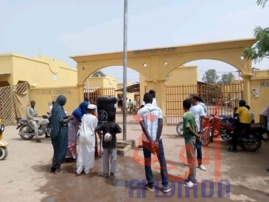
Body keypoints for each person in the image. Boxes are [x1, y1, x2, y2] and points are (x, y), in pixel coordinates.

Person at [137, 93, 172, 193]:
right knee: (162, 160)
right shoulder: (158, 110)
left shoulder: (140, 111)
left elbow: (143, 127)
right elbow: (160, 125)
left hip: (146, 140)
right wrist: (156, 140)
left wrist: (151, 141)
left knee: (147, 161)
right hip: (158, 140)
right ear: (152, 100)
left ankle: (151, 184)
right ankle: (165, 185)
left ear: (144, 100)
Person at [95, 112, 122, 179]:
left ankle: (105, 173)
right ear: (114, 118)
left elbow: (96, 128)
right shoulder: (115, 125)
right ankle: (112, 173)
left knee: (105, 159)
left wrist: (101, 134)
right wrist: (114, 133)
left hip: (105, 144)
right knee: (113, 158)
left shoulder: (104, 124)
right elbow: (120, 130)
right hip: (113, 144)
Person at [182, 99, 201, 188]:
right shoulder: (192, 115)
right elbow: (196, 126)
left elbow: (189, 128)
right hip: (193, 138)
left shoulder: (185, 116)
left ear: (183, 106)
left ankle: (193, 179)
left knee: (191, 159)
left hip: (189, 139)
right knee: (192, 157)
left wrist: (196, 135)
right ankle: (190, 177)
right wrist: (197, 135)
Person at [76, 104, 98, 175]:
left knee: (81, 151)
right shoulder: (94, 118)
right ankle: (87, 169)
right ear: (92, 110)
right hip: (89, 136)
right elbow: (95, 127)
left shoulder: (84, 116)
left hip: (82, 135)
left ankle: (79, 169)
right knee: (89, 151)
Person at [50, 95, 70, 173]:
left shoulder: (55, 107)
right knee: (60, 150)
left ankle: (53, 167)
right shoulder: (58, 109)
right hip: (60, 132)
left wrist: (66, 117)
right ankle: (58, 169)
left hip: (55, 131)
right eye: (64, 101)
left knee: (56, 150)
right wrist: (69, 118)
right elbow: (61, 121)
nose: (64, 103)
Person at [189, 94, 206, 171]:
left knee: (198, 148)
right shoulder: (189, 107)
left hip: (198, 131)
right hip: (190, 130)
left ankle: (200, 164)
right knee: (191, 148)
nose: (190, 99)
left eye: (191, 98)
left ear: (195, 99)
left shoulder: (200, 107)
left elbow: (202, 120)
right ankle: (192, 163)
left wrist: (201, 131)